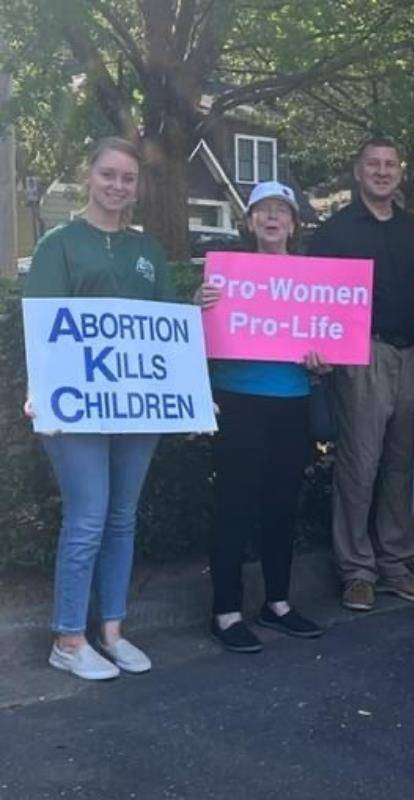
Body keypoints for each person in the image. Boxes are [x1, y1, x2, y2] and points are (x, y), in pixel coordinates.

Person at [23, 137, 174, 680]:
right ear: (90, 177)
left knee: (121, 518)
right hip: (76, 404)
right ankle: (67, 637)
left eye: (127, 178)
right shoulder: (59, 245)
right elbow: (41, 324)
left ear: (137, 186)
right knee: (87, 518)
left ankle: (111, 630)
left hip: (137, 405)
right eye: (108, 174)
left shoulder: (149, 251)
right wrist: (41, 387)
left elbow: (165, 333)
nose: (117, 186)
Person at [308, 138, 414, 612]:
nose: (382, 172)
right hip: (361, 354)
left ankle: (396, 562)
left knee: (404, 465)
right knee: (359, 464)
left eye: (390, 165)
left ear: (399, 173)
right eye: (373, 164)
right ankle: (356, 570)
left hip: (412, 353)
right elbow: (315, 298)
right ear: (357, 170)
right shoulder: (333, 232)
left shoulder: (413, 229)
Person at [196, 181, 327, 652]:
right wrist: (199, 308)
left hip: (292, 399)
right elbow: (197, 334)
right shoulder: (224, 276)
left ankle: (278, 603)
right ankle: (225, 611)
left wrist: (324, 358)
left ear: (294, 223)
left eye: (282, 211)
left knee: (282, 504)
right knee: (234, 504)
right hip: (237, 399)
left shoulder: (314, 278)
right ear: (250, 222)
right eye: (263, 211)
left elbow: (329, 339)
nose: (273, 219)